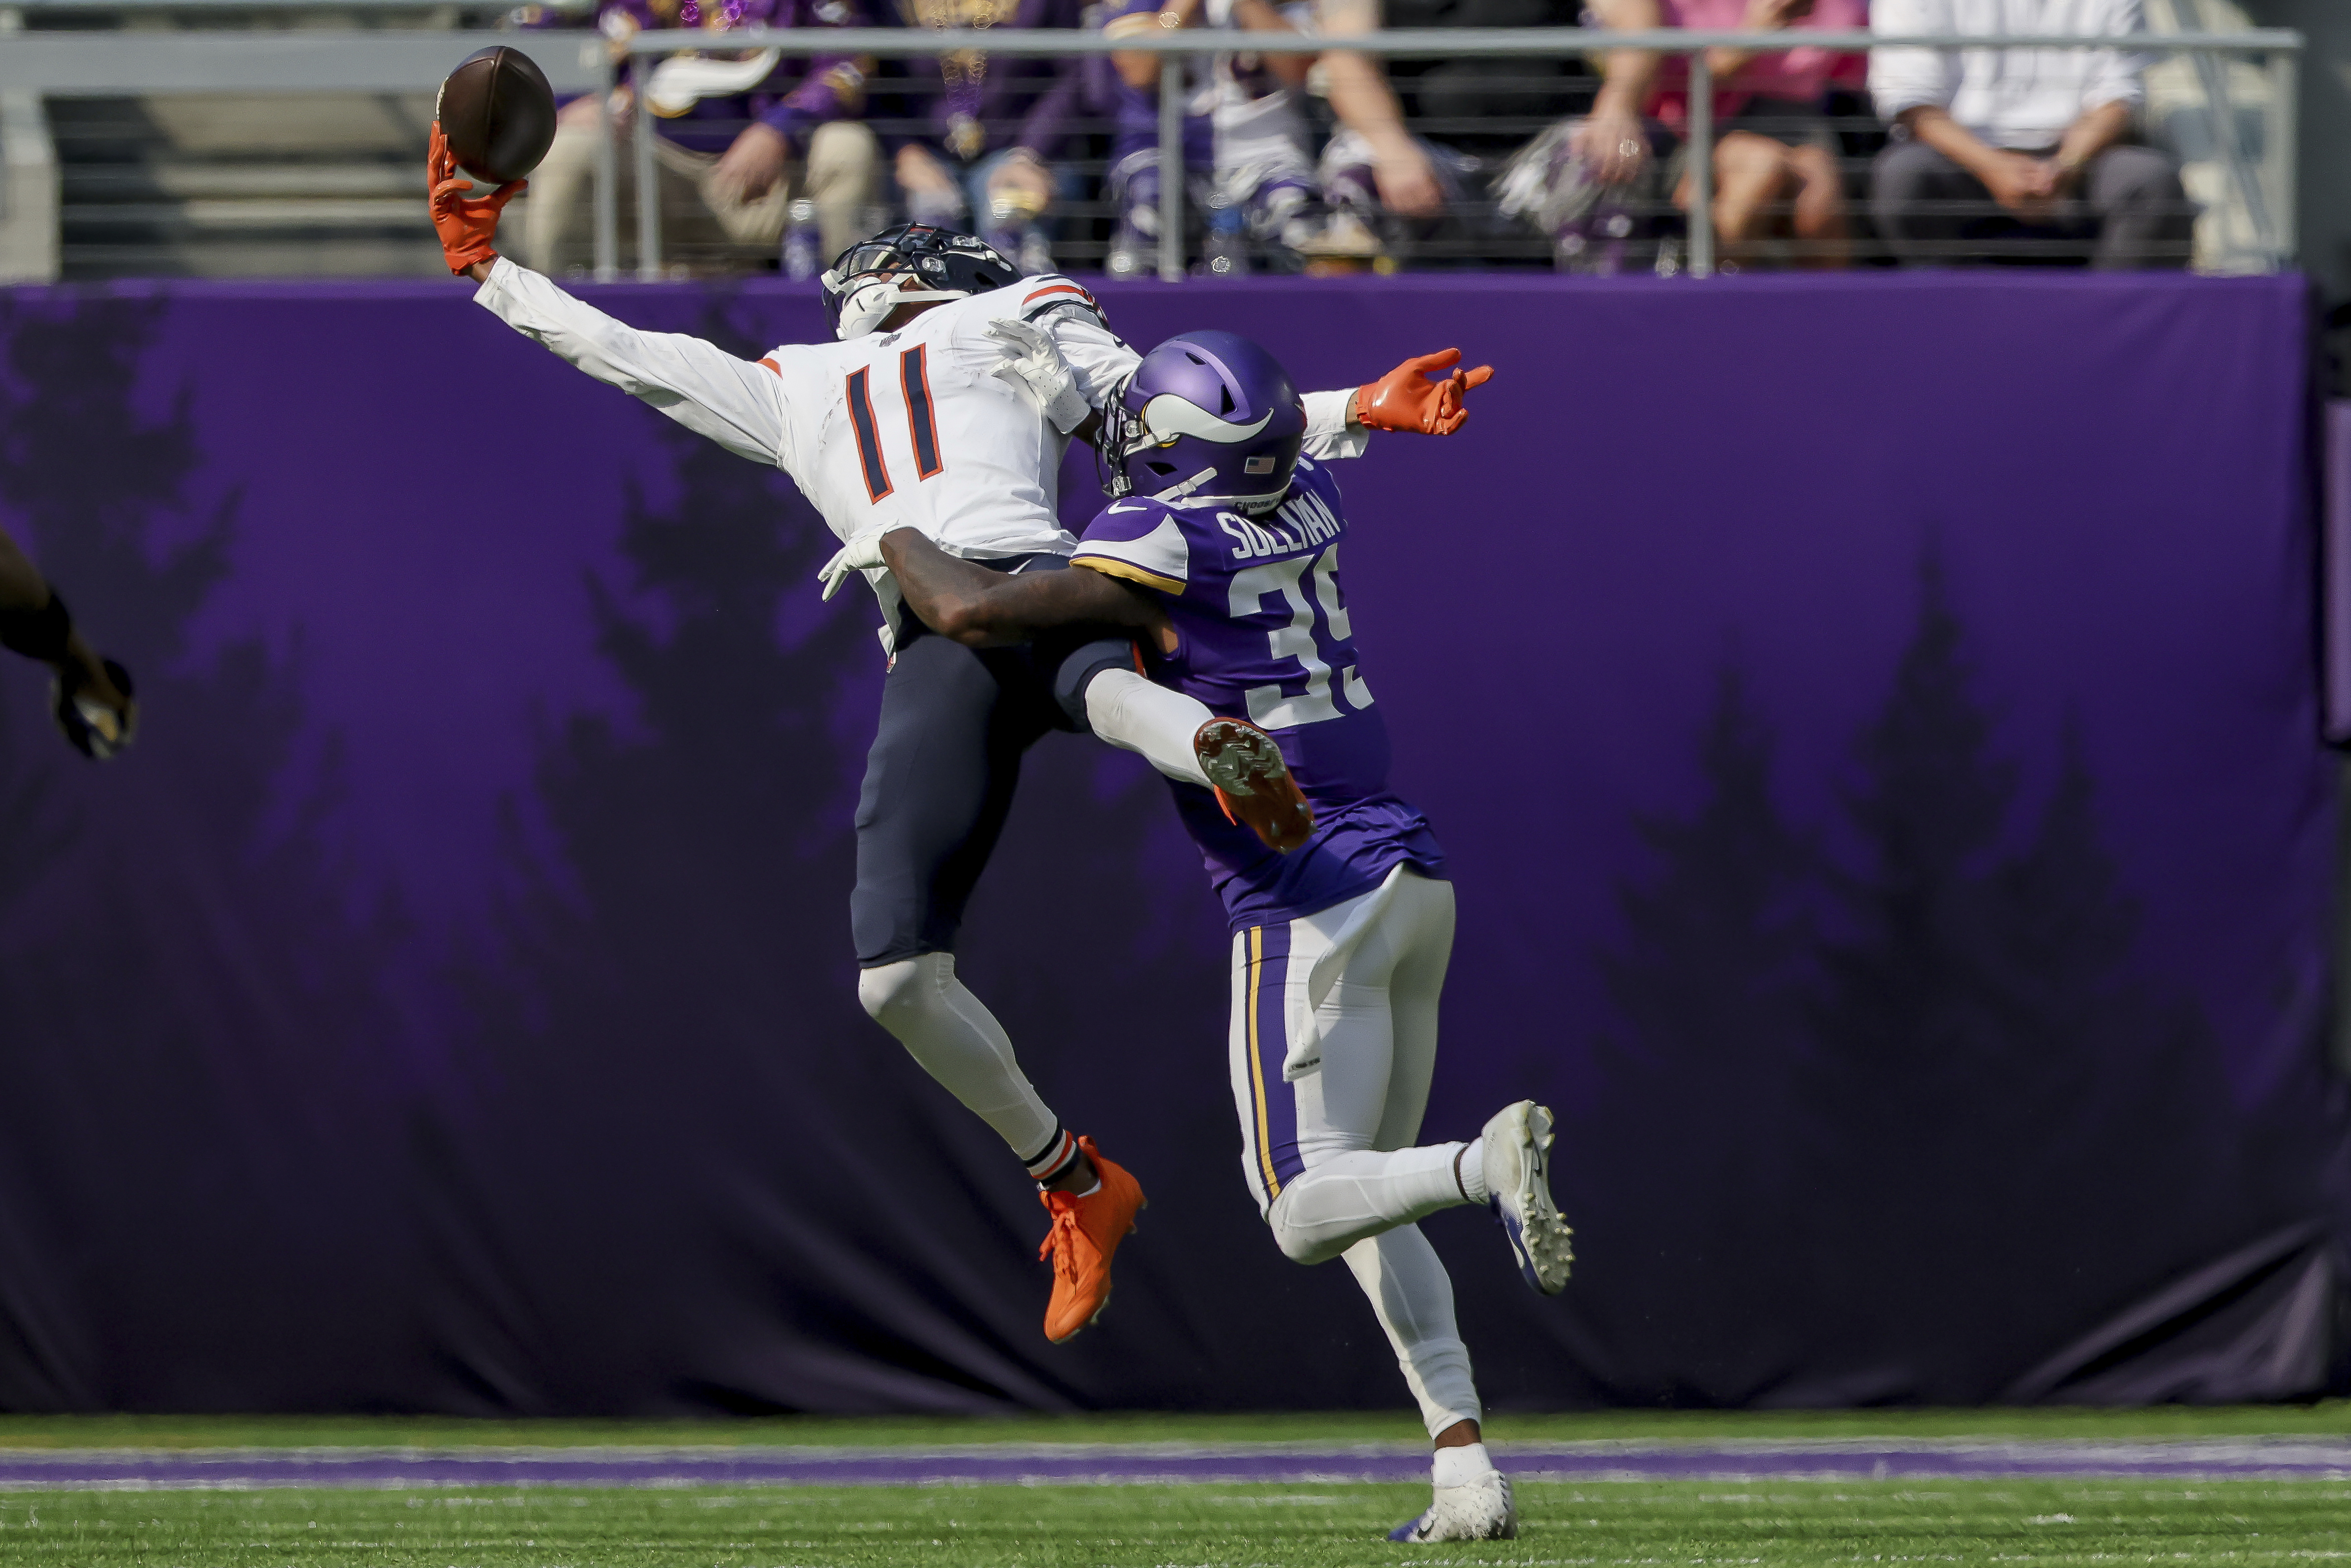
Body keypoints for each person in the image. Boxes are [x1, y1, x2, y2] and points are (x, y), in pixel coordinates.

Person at [426, 148, 1485, 1341]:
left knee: (896, 981)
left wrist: (487, 269)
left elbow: (613, 348)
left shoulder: (822, 369)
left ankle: (1069, 1171)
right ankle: (1207, 752)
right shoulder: (974, 325)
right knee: (1102, 699)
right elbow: (1172, 414)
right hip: (1032, 597)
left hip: (952, 607)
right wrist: (1349, 414)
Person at [872, 329, 1570, 1546]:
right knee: (1366, 1196)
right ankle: (1464, 1471)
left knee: (1303, 1207)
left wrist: (885, 511)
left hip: (1300, 892)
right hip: (1410, 871)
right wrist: (1342, 407)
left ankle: (1484, 1162)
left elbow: (970, 605)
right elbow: (1266, 445)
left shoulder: (1163, 534)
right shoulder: (1313, 488)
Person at [522, 0, 883, 276]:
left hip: (767, 185)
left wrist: (780, 129)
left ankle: (850, 329)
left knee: (848, 146)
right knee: (569, 147)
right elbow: (533, 38)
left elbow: (848, 62)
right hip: (649, 169)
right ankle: (548, 328)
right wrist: (568, 104)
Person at [1868, 0, 2193, 268]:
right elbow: (1913, 104)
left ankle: (2115, 329)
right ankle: (1945, 323)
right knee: (1903, 175)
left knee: (2149, 179)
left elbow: (2117, 97)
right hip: (1959, 162)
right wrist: (1991, 166)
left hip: (2081, 162)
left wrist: (2066, 165)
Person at [1096, 0, 1341, 276]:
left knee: (1299, 233)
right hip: (1172, 157)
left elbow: (1297, 70)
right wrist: (1182, 9)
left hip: (1266, 157)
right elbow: (1140, 70)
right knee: (1147, 209)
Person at [1644, 0, 1864, 269]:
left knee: (1819, 203)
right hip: (1697, 123)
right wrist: (1757, 31)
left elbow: (1853, 74)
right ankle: (1712, 300)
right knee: (1759, 170)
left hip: (1798, 118)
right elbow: (1679, 81)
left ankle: (1824, 309)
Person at [877, 0, 1089, 276]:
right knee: (929, 225)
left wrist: (1029, 154)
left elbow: (1071, 75)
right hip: (923, 153)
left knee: (1010, 224)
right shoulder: (886, 6)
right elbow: (873, 82)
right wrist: (905, 151)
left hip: (1018, 150)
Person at [0, 523, 136, 761]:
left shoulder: (74, 685)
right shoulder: (90, 677)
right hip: (37, 618)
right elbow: (115, 716)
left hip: (33, 620)